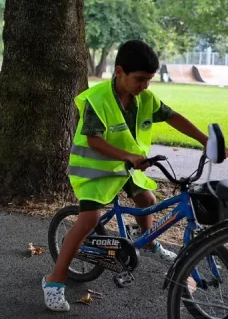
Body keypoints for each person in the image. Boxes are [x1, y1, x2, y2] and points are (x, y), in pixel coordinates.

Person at [41, 40, 212, 312]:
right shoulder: (97, 99)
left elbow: (173, 117)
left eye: (149, 80)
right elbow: (94, 140)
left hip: (125, 167)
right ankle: (55, 280)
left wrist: (205, 140)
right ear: (119, 71)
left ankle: (150, 243)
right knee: (89, 220)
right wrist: (127, 157)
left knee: (147, 198)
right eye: (140, 79)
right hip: (95, 171)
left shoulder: (145, 98)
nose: (145, 86)